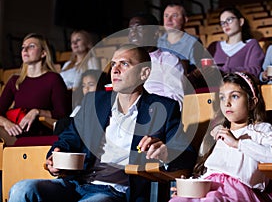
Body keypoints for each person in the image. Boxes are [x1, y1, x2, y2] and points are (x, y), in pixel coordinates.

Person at [8, 44, 197, 202]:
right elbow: (68, 139)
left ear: (144, 73)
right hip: (77, 182)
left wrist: (165, 153)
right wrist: (55, 156)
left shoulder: (163, 107)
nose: (115, 69)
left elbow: (186, 155)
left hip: (116, 191)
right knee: (22, 189)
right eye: (113, 64)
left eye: (124, 64)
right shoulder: (94, 102)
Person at [169, 72, 272, 202]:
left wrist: (238, 143)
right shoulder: (219, 132)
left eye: (235, 96)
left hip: (239, 191)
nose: (226, 103)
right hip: (209, 187)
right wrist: (190, 187)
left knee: (213, 199)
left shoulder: (262, 129)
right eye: (222, 98)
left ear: (252, 102)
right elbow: (213, 170)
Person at [0, 33, 70, 146]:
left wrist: (36, 111)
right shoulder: (15, 80)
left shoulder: (53, 79)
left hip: (41, 132)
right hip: (16, 131)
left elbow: (62, 115)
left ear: (43, 53)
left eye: (31, 46)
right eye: (23, 47)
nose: (25, 49)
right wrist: (7, 124)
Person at [128, 12, 186, 108]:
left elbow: (176, 101)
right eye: (130, 29)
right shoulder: (125, 63)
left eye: (139, 28)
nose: (133, 33)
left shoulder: (168, 60)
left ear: (155, 33)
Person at [207, 7, 265, 78]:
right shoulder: (214, 46)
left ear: (241, 22)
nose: (225, 24)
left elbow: (254, 71)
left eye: (229, 20)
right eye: (222, 23)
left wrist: (225, 70)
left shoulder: (251, 44)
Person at [157, 3, 205, 73]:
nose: (169, 20)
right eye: (166, 16)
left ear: (185, 19)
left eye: (174, 16)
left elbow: (196, 72)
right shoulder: (157, 42)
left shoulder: (193, 42)